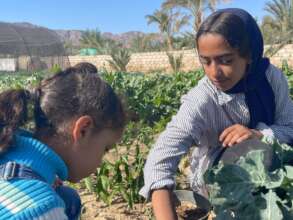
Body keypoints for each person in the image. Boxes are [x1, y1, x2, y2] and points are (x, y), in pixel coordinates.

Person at [140, 8, 293, 220]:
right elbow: (163, 154)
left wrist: (258, 134)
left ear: (248, 55)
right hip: (220, 177)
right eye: (206, 61)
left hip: (275, 163)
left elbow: (289, 127)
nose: (214, 72)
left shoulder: (271, 78)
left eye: (226, 60)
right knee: (251, 150)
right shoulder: (202, 98)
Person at [0, 65, 126, 219]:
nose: (100, 162)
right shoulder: (40, 208)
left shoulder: (7, 150)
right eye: (105, 148)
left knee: (68, 198)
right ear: (83, 130)